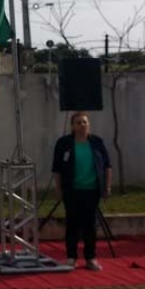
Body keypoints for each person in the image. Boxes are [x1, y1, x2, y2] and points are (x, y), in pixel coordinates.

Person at [51, 111, 112, 271]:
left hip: (92, 191)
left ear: (88, 124)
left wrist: (107, 187)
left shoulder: (97, 142)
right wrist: (58, 188)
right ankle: (71, 257)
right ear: (72, 126)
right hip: (72, 191)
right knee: (72, 224)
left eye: (84, 122)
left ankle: (91, 258)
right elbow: (57, 169)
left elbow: (107, 166)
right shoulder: (64, 143)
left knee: (90, 226)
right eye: (78, 122)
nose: (82, 125)